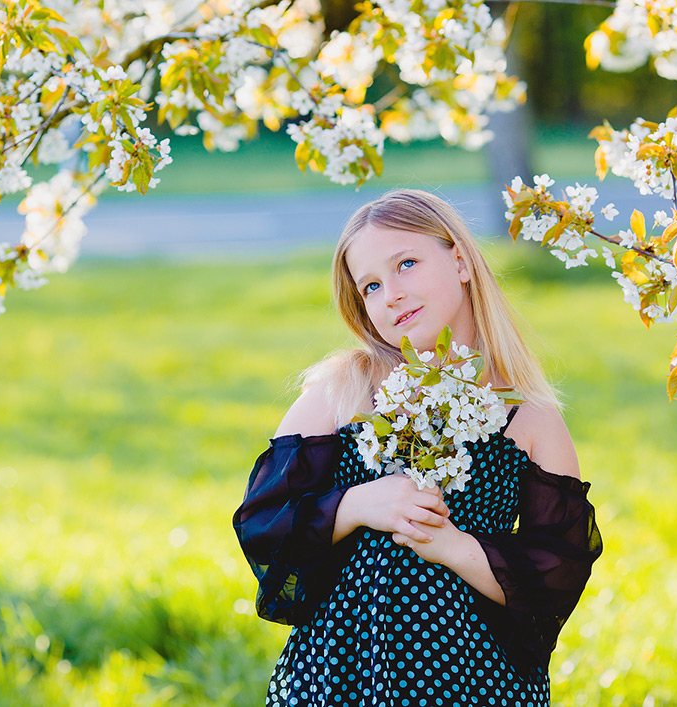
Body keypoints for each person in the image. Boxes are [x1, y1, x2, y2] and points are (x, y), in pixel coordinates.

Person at [234, 189, 603, 706]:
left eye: (406, 263)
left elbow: (556, 572)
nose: (391, 294)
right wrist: (356, 505)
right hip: (345, 673)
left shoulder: (529, 417)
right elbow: (265, 524)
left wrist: (454, 547)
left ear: (459, 260)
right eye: (371, 286)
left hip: (473, 676)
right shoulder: (346, 392)